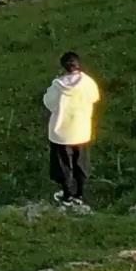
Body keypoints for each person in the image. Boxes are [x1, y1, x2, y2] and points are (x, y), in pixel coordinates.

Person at [42, 52, 104, 208]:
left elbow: (48, 102)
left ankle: (67, 194)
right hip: (81, 131)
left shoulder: (58, 85)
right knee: (80, 163)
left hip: (61, 132)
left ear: (64, 67)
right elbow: (95, 97)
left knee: (64, 164)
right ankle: (80, 194)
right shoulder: (88, 83)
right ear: (79, 64)